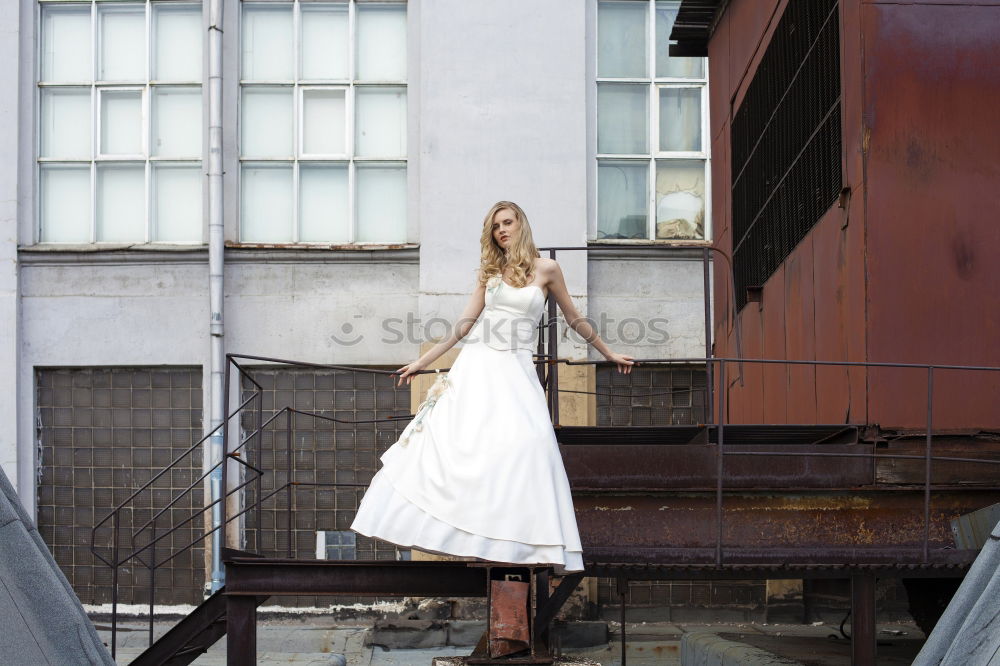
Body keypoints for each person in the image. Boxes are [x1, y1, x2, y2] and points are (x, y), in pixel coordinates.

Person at [350, 201, 635, 574]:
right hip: (479, 364)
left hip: (516, 369)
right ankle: (468, 535)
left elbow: (573, 318)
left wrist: (608, 351)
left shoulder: (548, 270)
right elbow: (464, 324)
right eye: (495, 227)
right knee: (463, 446)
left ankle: (519, 540)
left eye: (507, 223)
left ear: (521, 224)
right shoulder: (491, 272)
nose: (501, 230)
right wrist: (423, 362)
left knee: (527, 447)